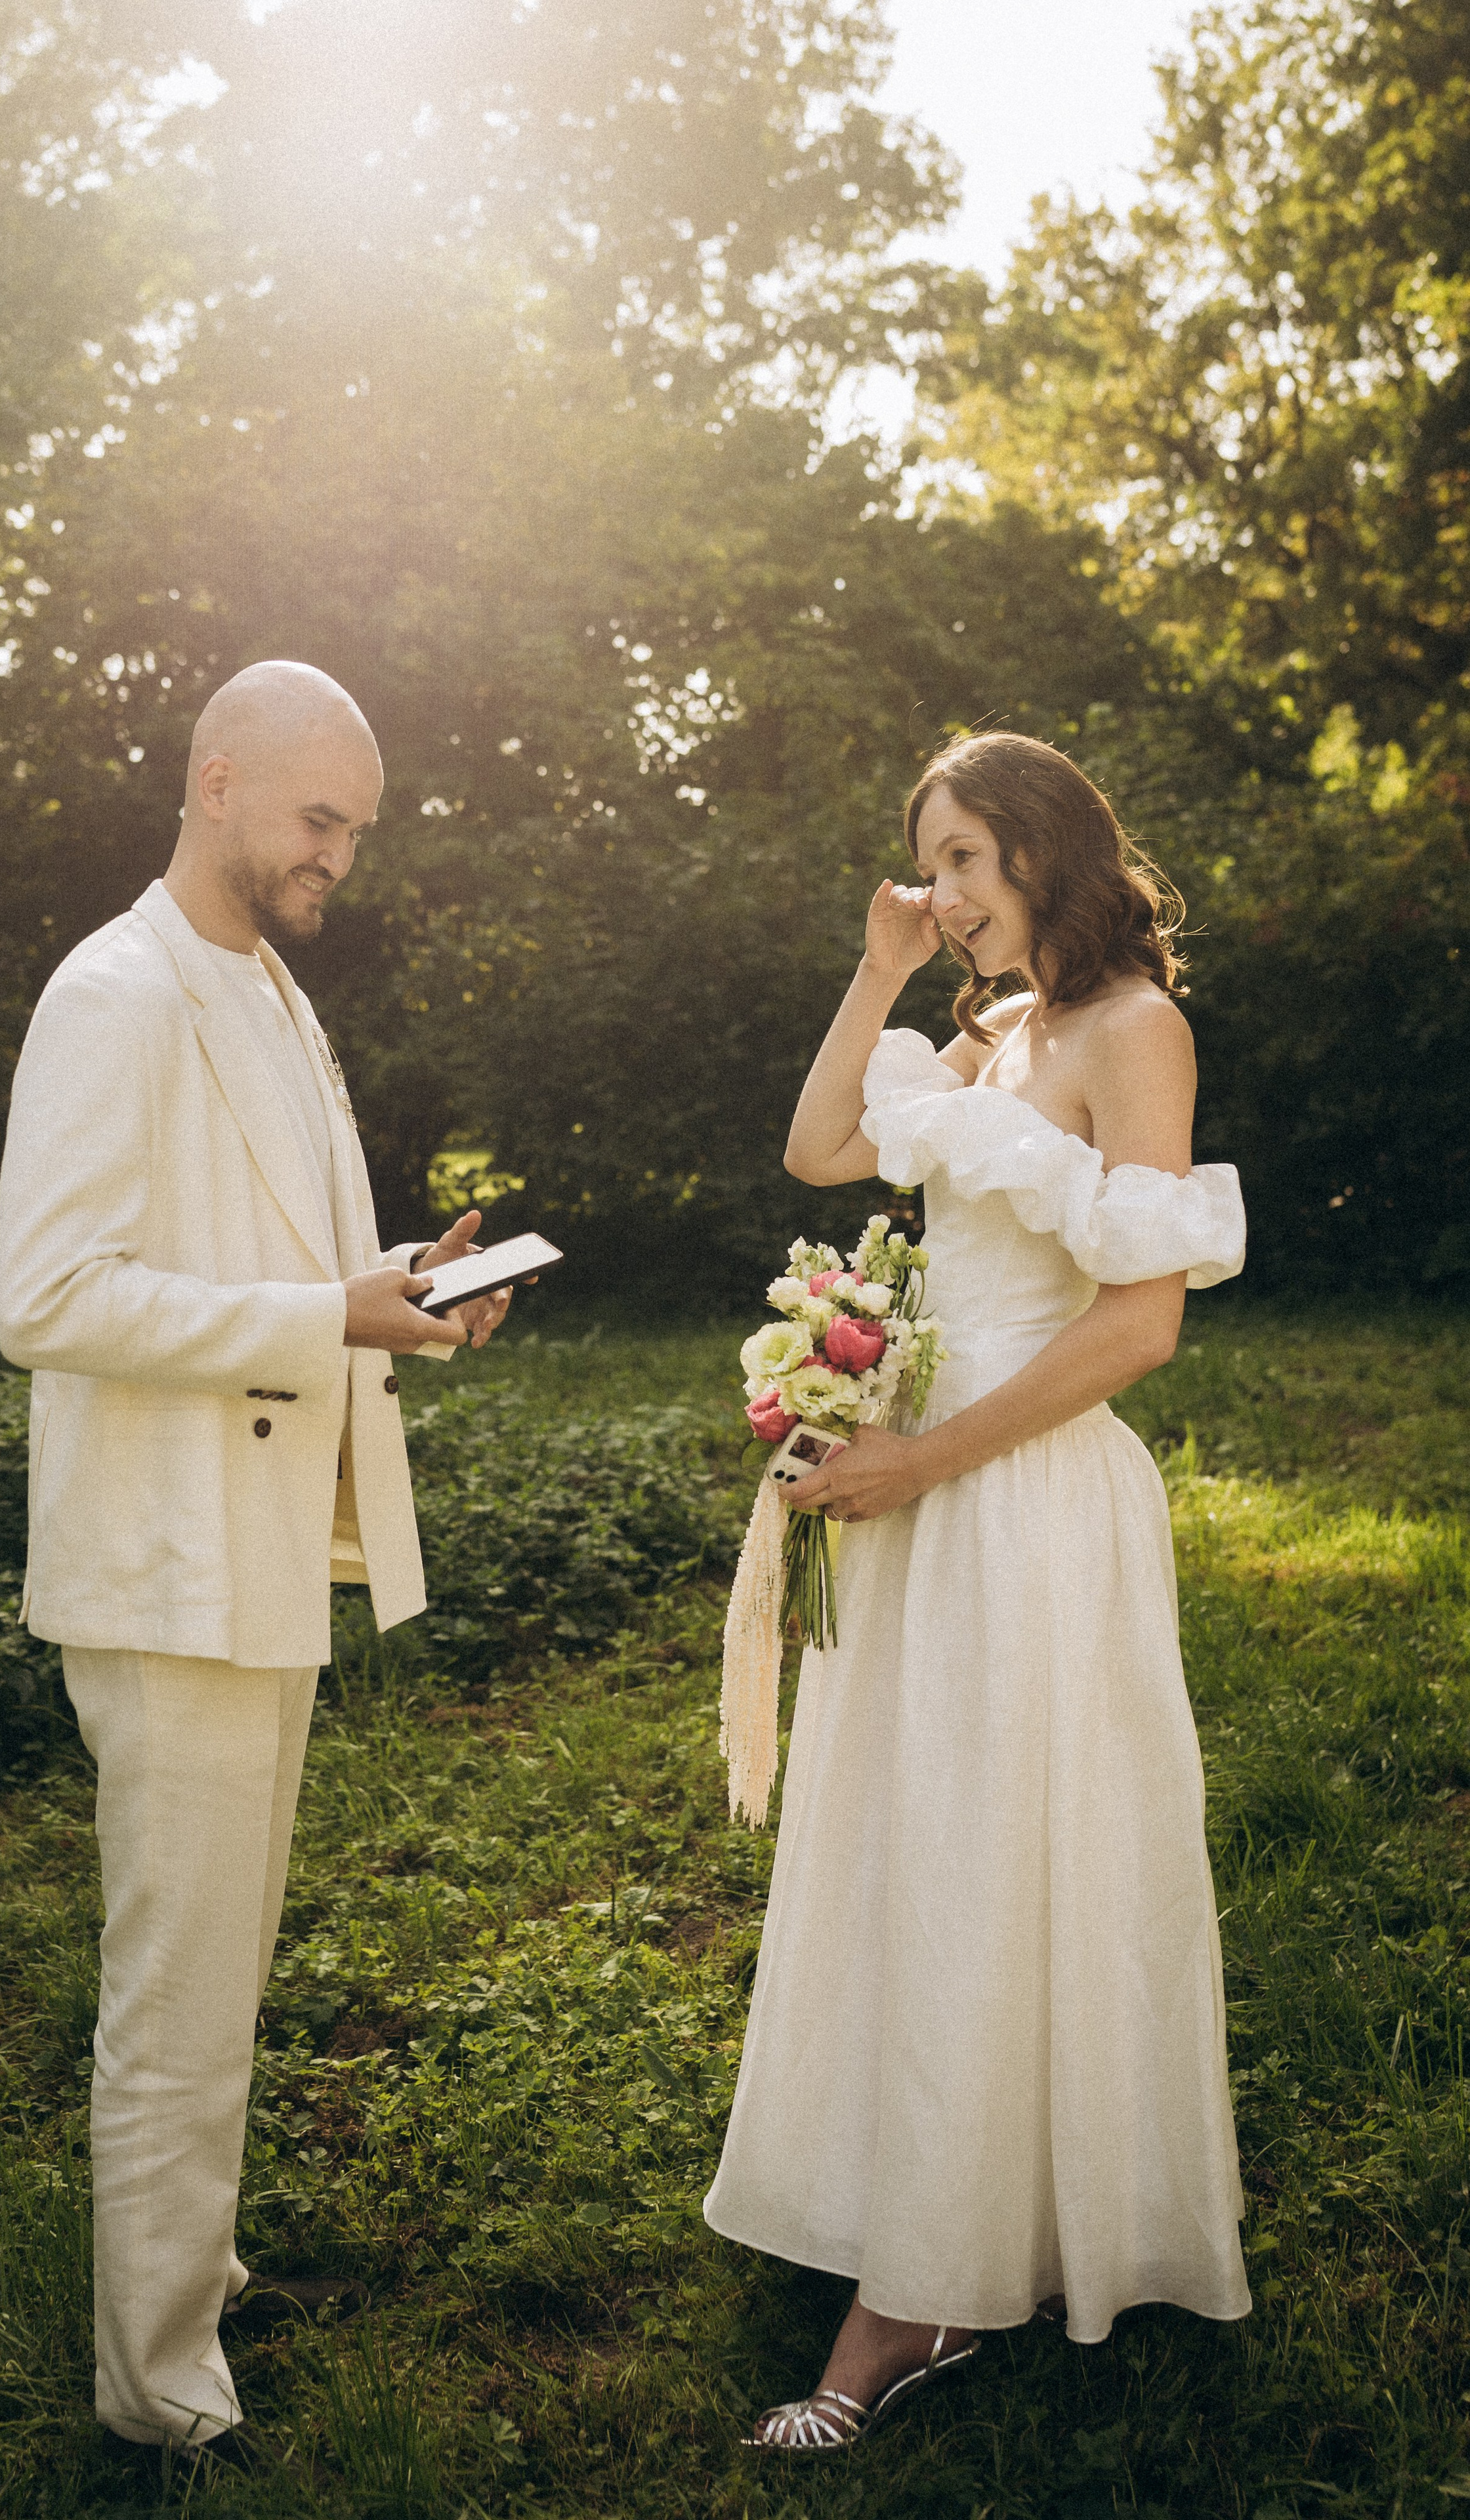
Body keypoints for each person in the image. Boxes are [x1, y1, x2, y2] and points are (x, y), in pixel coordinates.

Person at [704, 730, 1251, 2452]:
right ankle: (918, 2193)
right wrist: (877, 973)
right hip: (920, 1490)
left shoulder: (1135, 1030)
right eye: (925, 864)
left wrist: (925, 1459)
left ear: (1041, 847)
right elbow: (817, 1148)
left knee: (999, 1849)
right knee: (913, 1845)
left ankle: (926, 2293)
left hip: (1023, 1496)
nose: (940, 893)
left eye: (961, 860)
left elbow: (1141, 1321)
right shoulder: (988, 1031)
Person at [0, 660, 510, 2456]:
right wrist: (321, 1314)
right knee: (177, 1994)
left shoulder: (277, 993)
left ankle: (192, 2286)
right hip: (169, 1569)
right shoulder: (113, 992)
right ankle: (158, 2395)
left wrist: (405, 1289)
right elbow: (45, 1296)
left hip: (262, 1556)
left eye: (355, 829)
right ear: (216, 781)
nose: (337, 856)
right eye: (317, 818)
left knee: (225, 1972)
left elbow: (294, 1256)